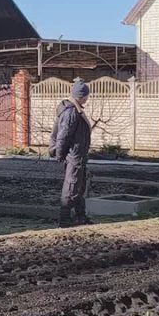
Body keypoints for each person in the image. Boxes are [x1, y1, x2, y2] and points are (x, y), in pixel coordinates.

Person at [50, 79, 93, 227]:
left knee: (79, 187)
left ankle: (80, 217)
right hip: (74, 156)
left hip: (78, 156)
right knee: (71, 187)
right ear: (81, 96)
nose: (87, 98)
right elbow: (64, 135)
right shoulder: (71, 112)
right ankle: (65, 220)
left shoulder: (75, 109)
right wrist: (60, 154)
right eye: (86, 96)